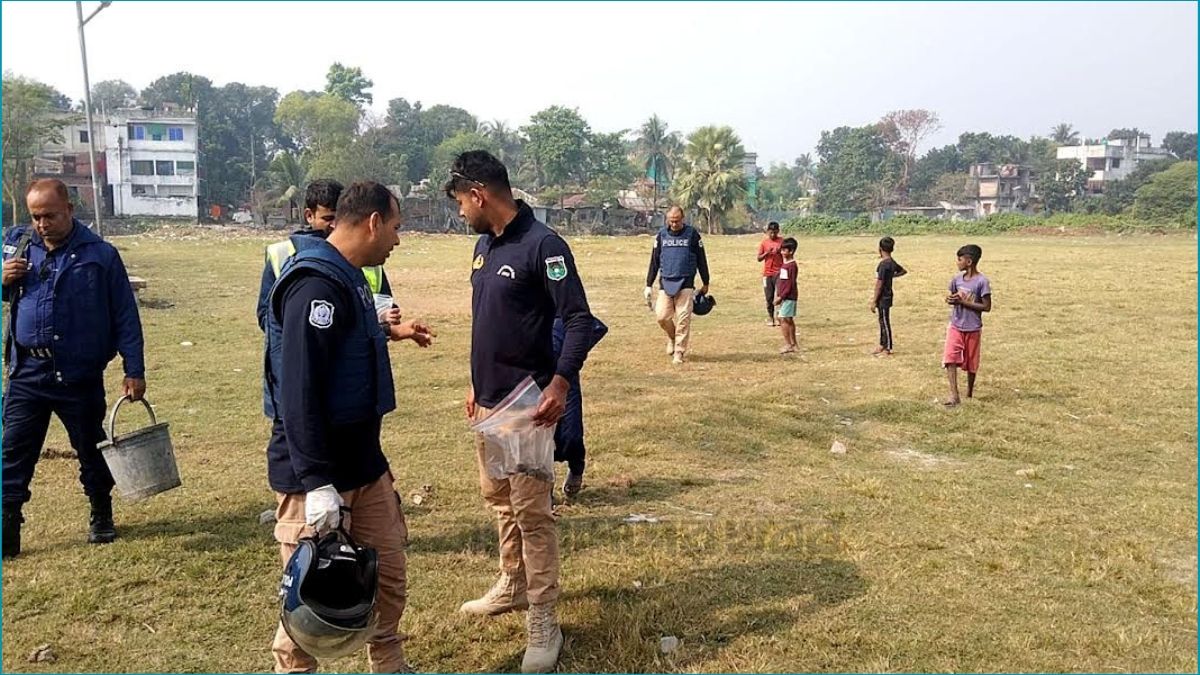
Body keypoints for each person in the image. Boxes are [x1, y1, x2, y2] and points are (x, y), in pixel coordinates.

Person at [265, 181, 433, 673]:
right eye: (397, 227)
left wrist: (391, 330)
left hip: (365, 465)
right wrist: (318, 483)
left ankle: (389, 665)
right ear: (374, 222)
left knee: (387, 578)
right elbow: (299, 390)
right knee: (313, 595)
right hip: (314, 473)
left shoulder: (355, 277)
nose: (398, 240)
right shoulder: (315, 284)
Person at [447, 150, 594, 673]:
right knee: (501, 502)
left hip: (528, 405)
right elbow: (484, 319)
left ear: (479, 194)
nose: (462, 212)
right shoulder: (483, 248)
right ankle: (512, 583)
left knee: (533, 513)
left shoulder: (544, 246)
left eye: (462, 201)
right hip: (487, 401)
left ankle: (543, 616)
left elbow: (579, 320)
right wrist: (472, 380)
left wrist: (560, 381)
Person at [1, 178, 146, 558]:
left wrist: (134, 369)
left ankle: (101, 512)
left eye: (49, 215)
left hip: (77, 373)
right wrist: (3, 280)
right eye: (36, 216)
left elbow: (125, 316)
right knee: (13, 451)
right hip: (27, 373)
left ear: (69, 209)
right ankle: (7, 523)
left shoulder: (100, 255)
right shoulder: (16, 245)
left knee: (90, 448)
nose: (42, 224)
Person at [257, 179, 400, 332]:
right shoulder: (285, 257)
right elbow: (267, 315)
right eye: (328, 218)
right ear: (309, 215)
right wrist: (302, 326)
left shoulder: (361, 256)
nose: (334, 225)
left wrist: (382, 321)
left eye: (338, 218)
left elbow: (379, 304)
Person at [643, 205, 710, 364]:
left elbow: (702, 259)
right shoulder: (661, 236)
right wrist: (648, 284)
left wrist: (706, 281)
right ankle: (672, 337)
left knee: (683, 319)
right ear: (667, 220)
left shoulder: (692, 235)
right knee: (662, 317)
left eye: (677, 221)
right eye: (671, 221)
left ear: (683, 219)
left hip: (686, 282)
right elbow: (654, 261)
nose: (674, 224)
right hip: (665, 282)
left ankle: (679, 352)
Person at [551, 315, 608, 500]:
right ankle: (544, 493)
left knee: (571, 435)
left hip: (564, 378)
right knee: (538, 442)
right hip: (532, 379)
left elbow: (591, 326)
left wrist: (569, 360)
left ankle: (576, 467)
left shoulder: (562, 298)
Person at [943, 244, 991, 406]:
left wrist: (963, 303)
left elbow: (986, 306)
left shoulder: (982, 282)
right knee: (950, 357)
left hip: (973, 328)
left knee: (971, 363)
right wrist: (951, 300)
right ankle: (954, 395)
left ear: (969, 262)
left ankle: (969, 392)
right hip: (956, 325)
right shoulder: (956, 279)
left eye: (960, 259)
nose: (957, 262)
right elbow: (952, 296)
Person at [870, 236, 907, 356]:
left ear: (880, 249)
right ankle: (882, 344)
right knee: (882, 320)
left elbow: (879, 284)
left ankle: (888, 347)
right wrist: (892, 276)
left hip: (883, 297)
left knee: (885, 321)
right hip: (888, 295)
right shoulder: (892, 262)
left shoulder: (883, 265)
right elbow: (903, 271)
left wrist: (874, 300)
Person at [774, 238, 799, 354]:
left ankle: (789, 344)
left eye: (785, 250)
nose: (782, 252)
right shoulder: (786, 265)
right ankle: (794, 344)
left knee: (782, 319)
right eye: (782, 250)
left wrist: (781, 297)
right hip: (787, 296)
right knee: (789, 319)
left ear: (791, 251)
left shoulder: (790, 266)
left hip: (788, 297)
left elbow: (789, 284)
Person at [757, 221, 784, 327]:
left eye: (775, 233)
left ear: (778, 231)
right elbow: (759, 258)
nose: (773, 235)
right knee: (769, 297)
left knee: (780, 295)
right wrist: (766, 253)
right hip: (767, 273)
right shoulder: (764, 243)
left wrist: (780, 252)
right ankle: (770, 317)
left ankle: (779, 316)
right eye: (771, 233)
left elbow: (788, 254)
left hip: (779, 272)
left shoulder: (782, 241)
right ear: (768, 232)